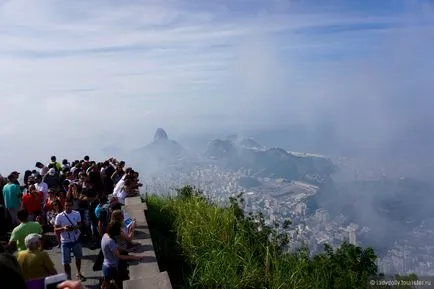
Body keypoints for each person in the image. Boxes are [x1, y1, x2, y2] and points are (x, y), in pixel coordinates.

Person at [102, 222, 144, 287]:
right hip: (111, 268)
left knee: (107, 285)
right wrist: (134, 257)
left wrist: (128, 250)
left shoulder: (105, 236)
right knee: (119, 285)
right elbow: (120, 256)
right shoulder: (110, 241)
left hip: (106, 266)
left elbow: (116, 249)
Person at [54, 199, 86, 281]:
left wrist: (76, 227)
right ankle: (68, 278)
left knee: (78, 257)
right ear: (64, 206)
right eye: (66, 205)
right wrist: (63, 228)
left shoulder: (77, 213)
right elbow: (55, 229)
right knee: (66, 262)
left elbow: (81, 224)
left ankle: (79, 273)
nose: (68, 207)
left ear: (72, 205)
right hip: (65, 241)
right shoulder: (59, 216)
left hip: (76, 239)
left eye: (69, 205)